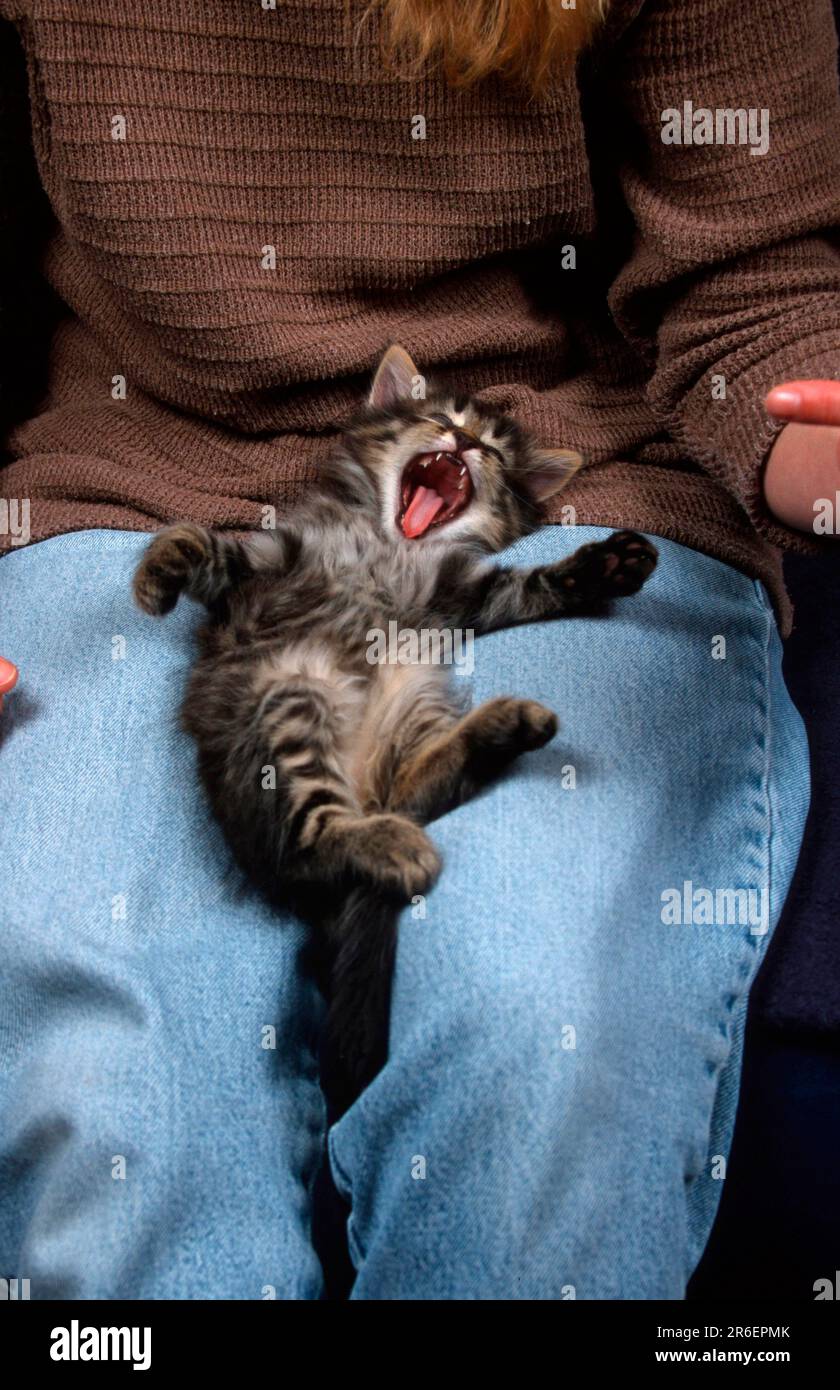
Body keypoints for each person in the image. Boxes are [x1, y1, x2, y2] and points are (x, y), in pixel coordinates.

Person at [0, 0, 838, 1300]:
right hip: (131, 471)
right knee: (111, 1076)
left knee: (532, 1039)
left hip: (580, 481)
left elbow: (760, 301)